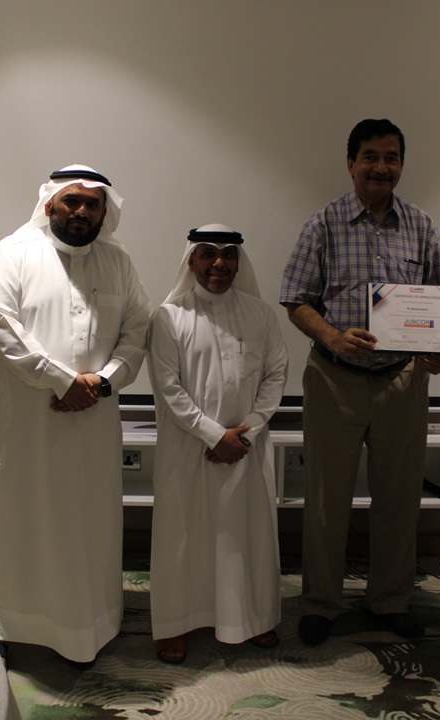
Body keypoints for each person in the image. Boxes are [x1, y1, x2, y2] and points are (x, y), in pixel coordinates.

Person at [280, 119, 440, 645]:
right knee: (326, 500)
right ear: (351, 163)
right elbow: (295, 300)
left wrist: (438, 350)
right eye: (370, 157)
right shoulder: (323, 224)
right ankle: (320, 603)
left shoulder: (421, 225)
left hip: (401, 381)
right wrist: (334, 338)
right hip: (333, 378)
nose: (381, 167)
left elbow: (439, 303)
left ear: (401, 163)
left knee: (399, 500)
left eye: (391, 157)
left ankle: (390, 601)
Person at [0, 165, 150, 667]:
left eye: (93, 204)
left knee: (88, 525)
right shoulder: (12, 253)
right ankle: (10, 626)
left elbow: (138, 329)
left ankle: (86, 629)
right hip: (26, 430)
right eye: (72, 201)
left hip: (92, 425)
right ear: (50, 202)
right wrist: (62, 381)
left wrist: (105, 380)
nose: (81, 211)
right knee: (19, 521)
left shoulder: (118, 261)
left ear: (104, 211)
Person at [147, 224, 288, 664]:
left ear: (239, 262)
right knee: (183, 536)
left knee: (246, 535)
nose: (219, 263)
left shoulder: (261, 314)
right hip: (188, 449)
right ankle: (176, 623)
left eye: (228, 255)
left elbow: (276, 375)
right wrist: (213, 435)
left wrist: (246, 432)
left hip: (247, 448)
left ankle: (253, 617)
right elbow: (168, 387)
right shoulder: (169, 317)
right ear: (191, 261)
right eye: (208, 253)